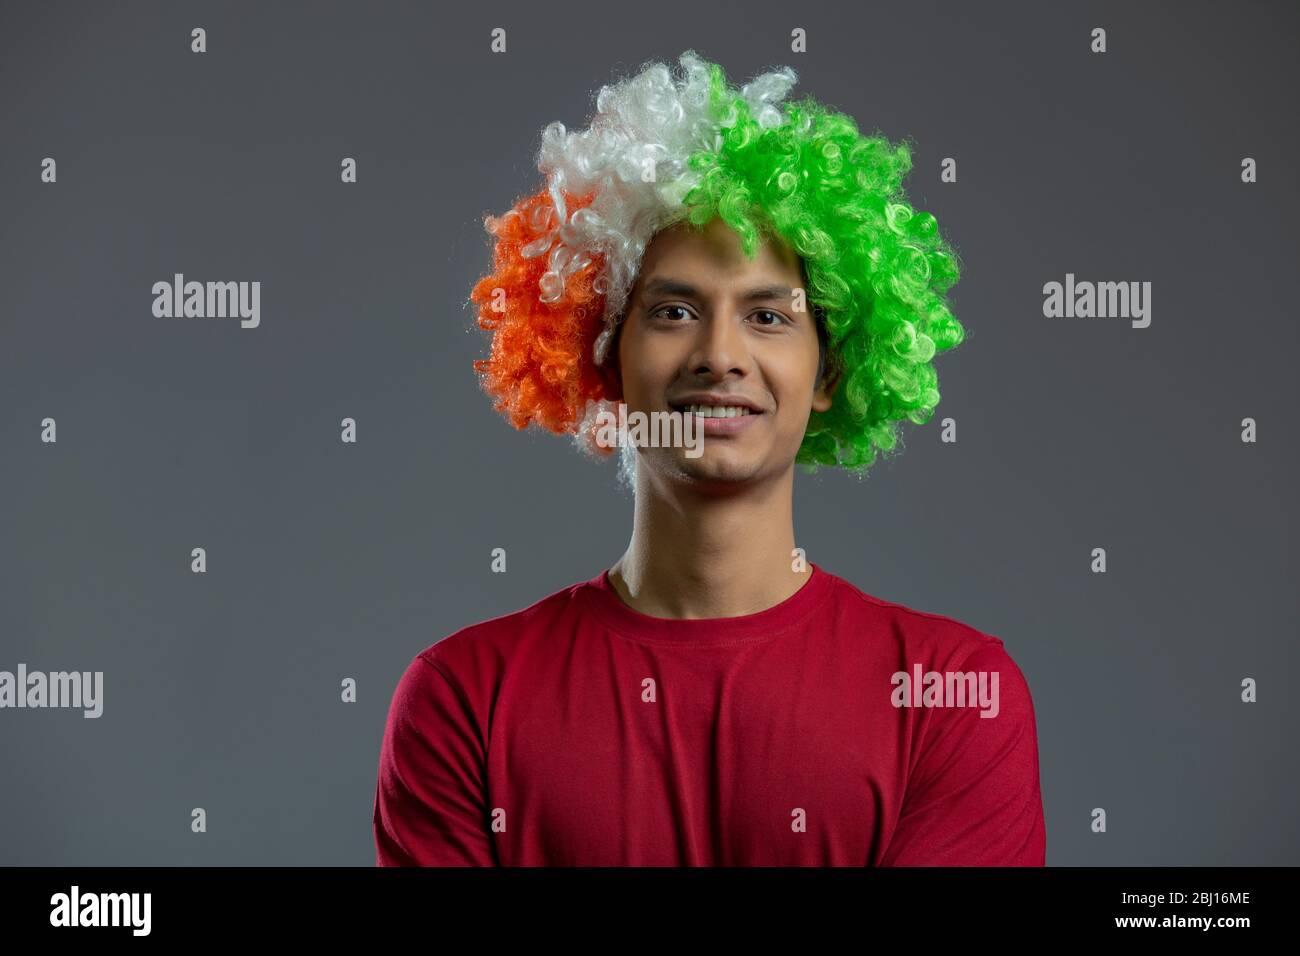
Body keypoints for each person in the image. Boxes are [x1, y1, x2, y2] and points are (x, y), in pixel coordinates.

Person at [373, 50, 1045, 865]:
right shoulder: (463, 699)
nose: (720, 355)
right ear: (601, 360)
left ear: (829, 372)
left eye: (769, 317)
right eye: (674, 310)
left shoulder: (951, 695)